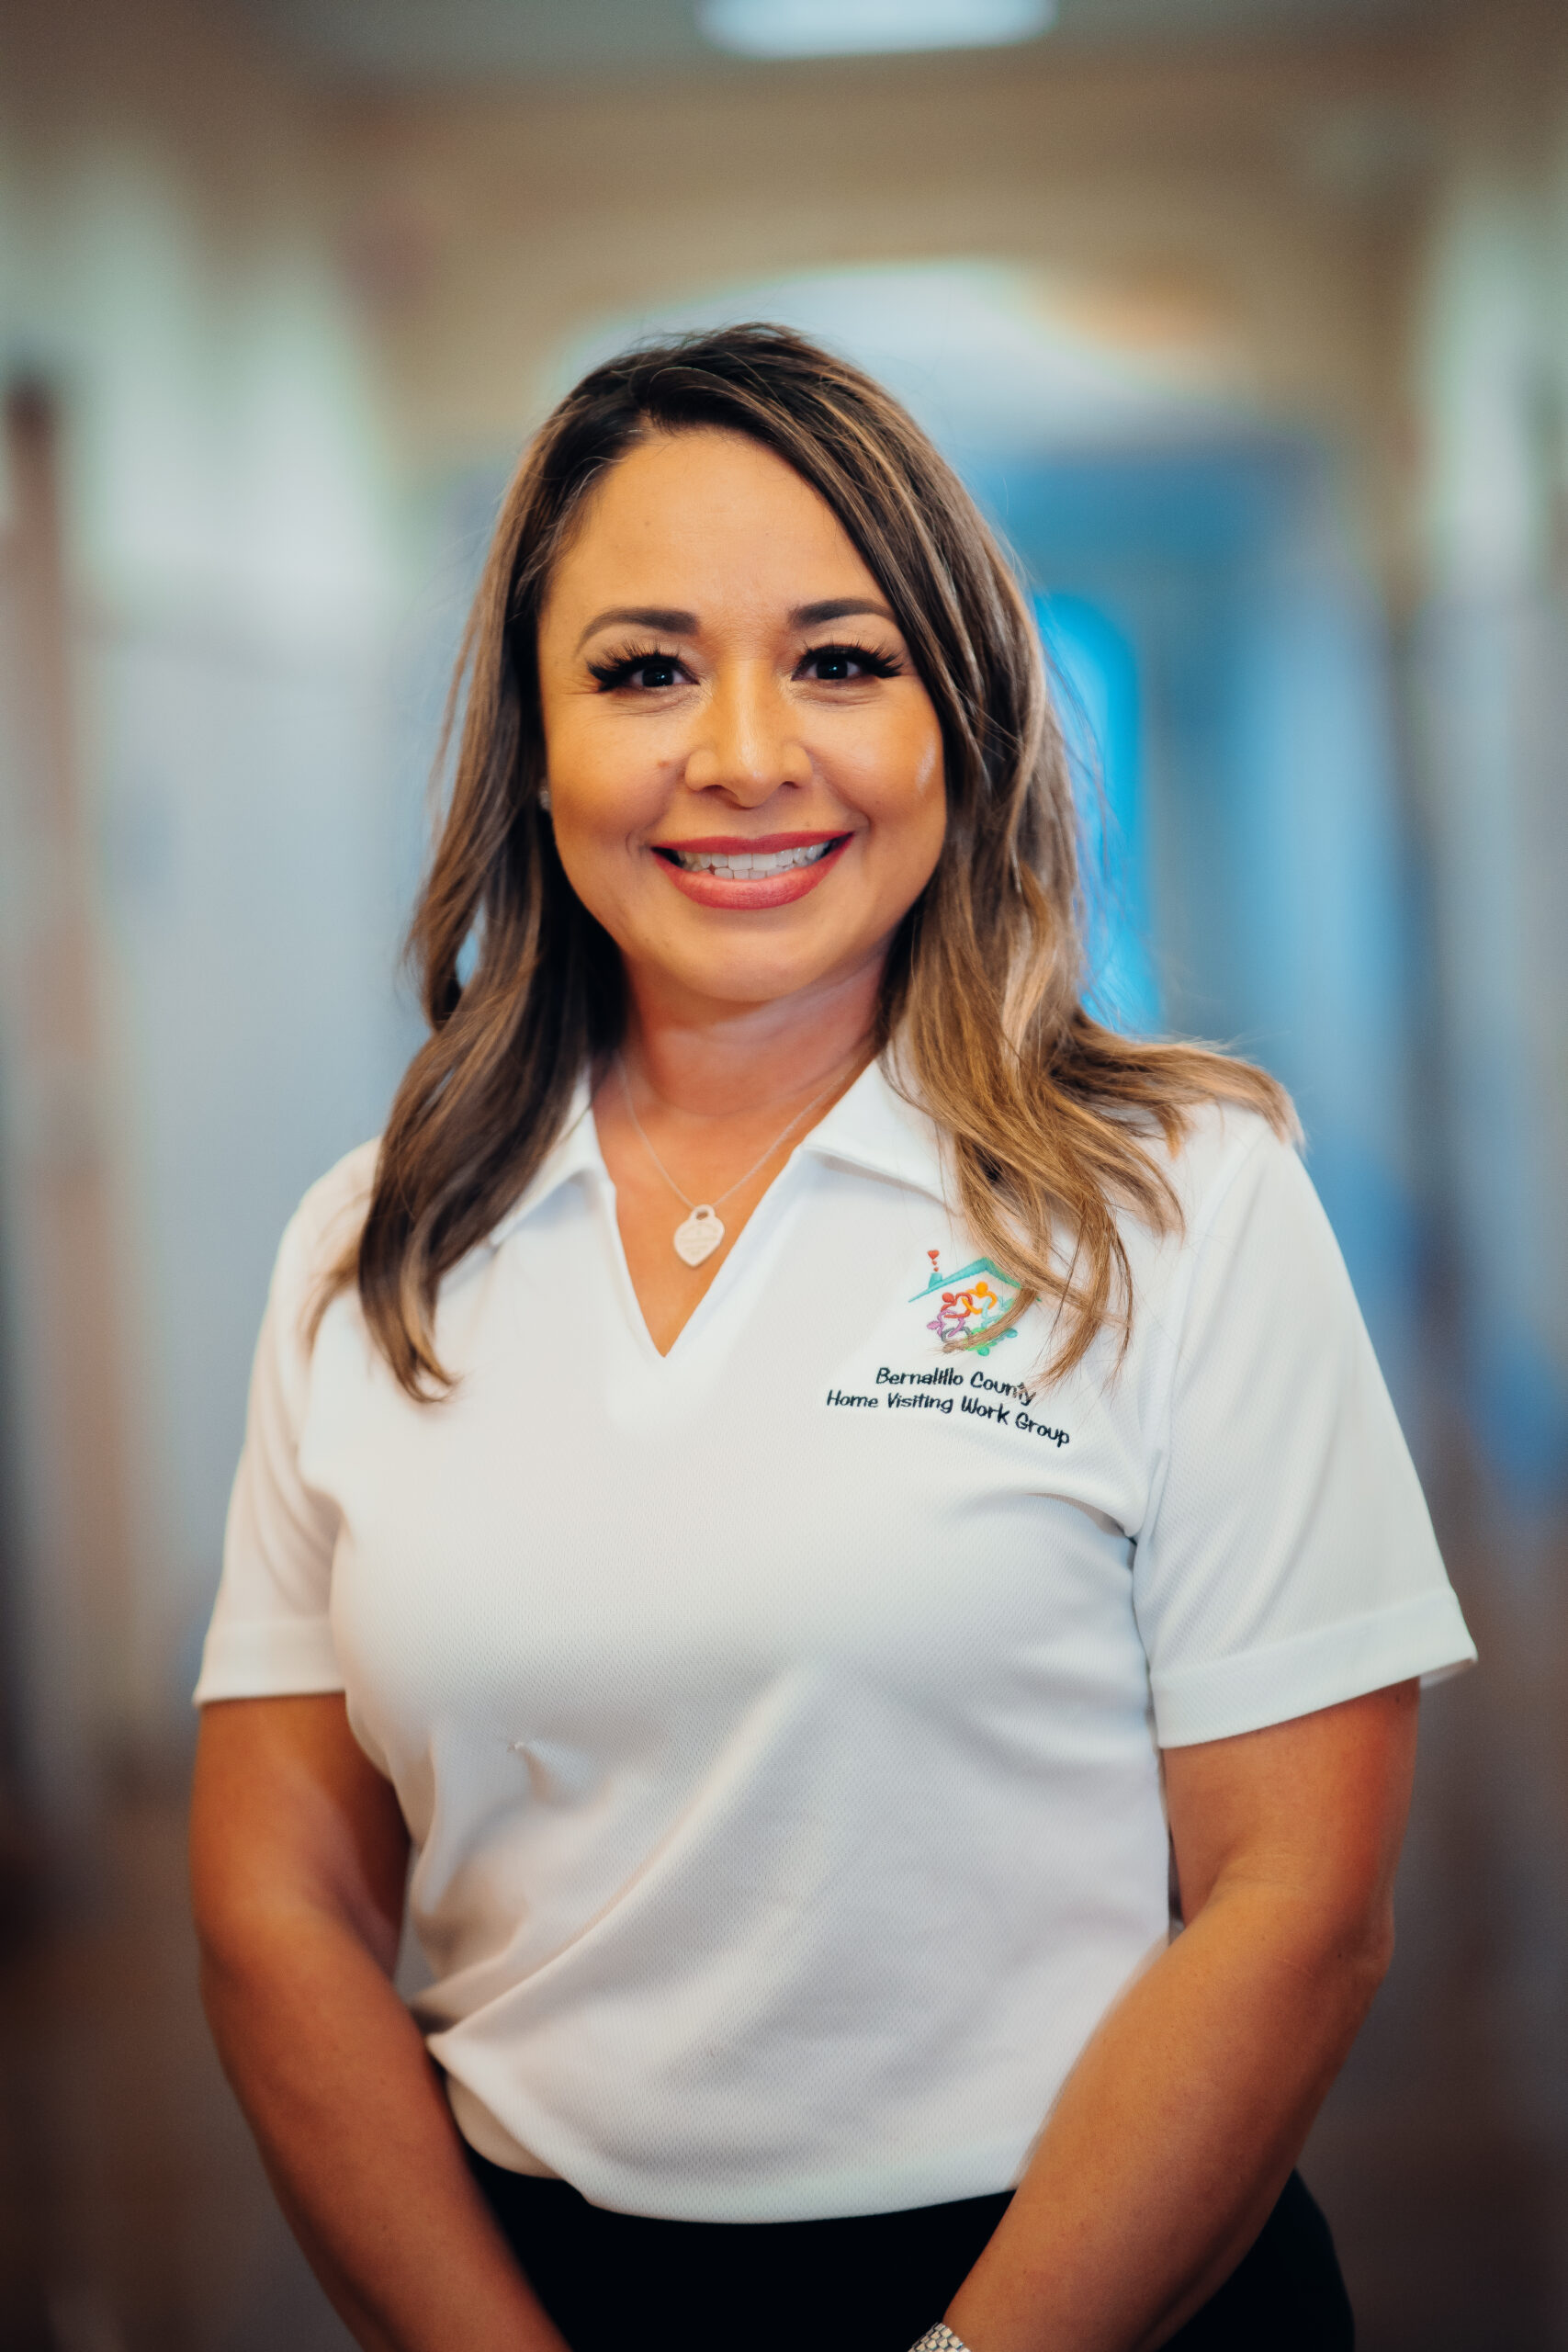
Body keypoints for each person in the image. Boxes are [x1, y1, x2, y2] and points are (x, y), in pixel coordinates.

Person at [189, 324, 1475, 2352]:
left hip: (1091, 2283)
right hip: (529, 2288)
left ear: (955, 717)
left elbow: (1295, 1907)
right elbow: (279, 1899)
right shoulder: (373, 1244)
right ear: (531, 745)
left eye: (839, 658)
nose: (741, 753)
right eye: (640, 668)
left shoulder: (1175, 1199)